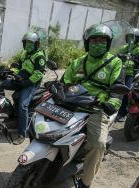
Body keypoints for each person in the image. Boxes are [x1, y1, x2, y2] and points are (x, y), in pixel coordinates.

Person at [62, 23, 124, 188]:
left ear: (108, 43)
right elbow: (65, 81)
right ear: (87, 42)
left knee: (98, 145)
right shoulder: (78, 61)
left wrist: (111, 103)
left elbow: (118, 89)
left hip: (96, 108)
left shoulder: (115, 62)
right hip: (72, 102)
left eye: (102, 40)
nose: (98, 43)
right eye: (94, 40)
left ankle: (86, 182)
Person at [3, 31, 46, 145]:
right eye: (26, 42)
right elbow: (19, 67)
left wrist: (26, 82)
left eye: (31, 43)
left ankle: (22, 133)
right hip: (21, 80)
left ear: (36, 44)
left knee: (23, 105)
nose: (28, 45)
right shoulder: (24, 53)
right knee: (1, 83)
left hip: (31, 84)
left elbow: (39, 74)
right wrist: (14, 73)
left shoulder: (39, 56)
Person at [116, 28, 139, 122]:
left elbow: (137, 60)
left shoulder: (138, 48)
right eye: (129, 37)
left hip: (133, 74)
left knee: (127, 92)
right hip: (121, 72)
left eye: (132, 37)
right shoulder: (125, 47)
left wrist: (133, 58)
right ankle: (115, 110)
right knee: (116, 90)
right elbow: (117, 54)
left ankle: (123, 113)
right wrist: (119, 56)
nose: (130, 39)